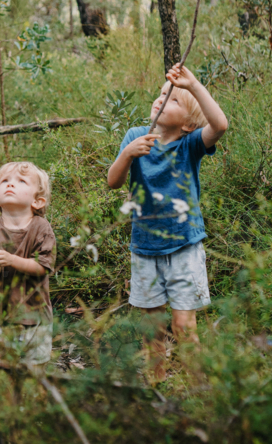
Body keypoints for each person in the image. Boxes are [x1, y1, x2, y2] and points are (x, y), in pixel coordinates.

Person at [106, 62, 229, 382]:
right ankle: (157, 386)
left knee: (184, 327)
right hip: (145, 247)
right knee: (152, 329)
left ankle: (197, 388)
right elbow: (113, 182)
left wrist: (192, 86)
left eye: (173, 99)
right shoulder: (136, 136)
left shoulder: (189, 146)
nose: (161, 99)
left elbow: (220, 125)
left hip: (184, 246)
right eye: (161, 94)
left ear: (188, 124)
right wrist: (128, 154)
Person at [0, 161, 55, 367]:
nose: (10, 185)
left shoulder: (41, 228)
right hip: (2, 318)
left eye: (21, 181)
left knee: (35, 372)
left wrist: (12, 260)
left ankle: (33, 399)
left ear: (37, 201)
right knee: (7, 369)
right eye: (5, 181)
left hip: (35, 317)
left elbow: (43, 268)